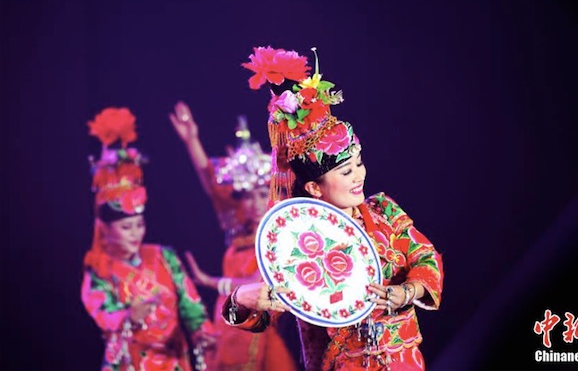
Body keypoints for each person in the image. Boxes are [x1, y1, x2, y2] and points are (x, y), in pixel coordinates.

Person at [220, 46, 445, 371]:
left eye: (359, 163)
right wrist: (241, 297)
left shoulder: (384, 212)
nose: (359, 176)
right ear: (314, 187)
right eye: (346, 171)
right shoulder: (293, 239)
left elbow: (426, 257)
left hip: (404, 361)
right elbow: (258, 314)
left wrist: (408, 292)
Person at [81, 107, 216, 371]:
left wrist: (201, 331)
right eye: (126, 227)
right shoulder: (99, 268)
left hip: (174, 360)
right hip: (130, 361)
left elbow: (189, 300)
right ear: (105, 229)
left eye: (139, 225)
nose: (135, 233)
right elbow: (101, 310)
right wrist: (128, 317)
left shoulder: (162, 256)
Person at [170, 103, 299, 370]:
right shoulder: (236, 228)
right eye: (248, 196)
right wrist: (192, 139)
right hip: (229, 324)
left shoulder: (279, 237)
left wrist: (211, 282)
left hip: (258, 327)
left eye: (262, 195)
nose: (254, 203)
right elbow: (212, 185)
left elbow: (258, 284)